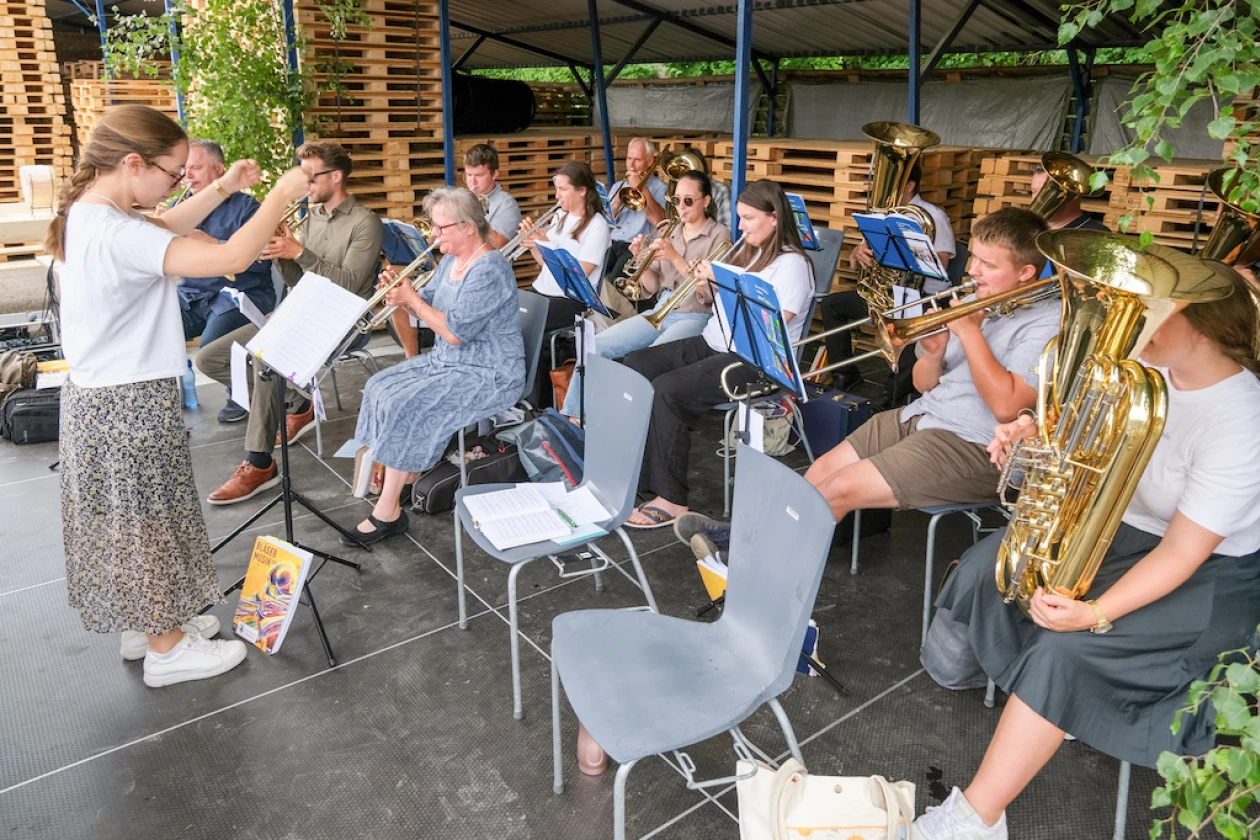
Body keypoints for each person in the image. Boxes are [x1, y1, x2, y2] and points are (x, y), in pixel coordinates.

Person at [912, 260, 1260, 840]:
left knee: (1065, 652)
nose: (1136, 322)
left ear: (1204, 330)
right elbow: (1079, 435)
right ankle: (1046, 703)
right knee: (985, 571)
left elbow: (1181, 552)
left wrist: (1097, 612)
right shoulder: (1149, 370)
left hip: (1211, 575)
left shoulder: (1243, 420)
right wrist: (1031, 431)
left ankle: (975, 820)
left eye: (1157, 312)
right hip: (1125, 532)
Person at [47, 103, 311, 687]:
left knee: (138, 516)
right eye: (171, 174)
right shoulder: (115, 230)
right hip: (128, 398)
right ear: (133, 163)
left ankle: (149, 624)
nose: (173, 187)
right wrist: (282, 193)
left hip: (104, 396)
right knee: (147, 519)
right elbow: (232, 258)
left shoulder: (90, 212)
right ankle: (167, 650)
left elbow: (162, 227)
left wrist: (223, 186)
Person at [621, 179, 814, 529]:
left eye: (749, 219)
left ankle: (672, 497)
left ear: (774, 219)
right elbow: (713, 305)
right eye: (739, 217)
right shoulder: (749, 251)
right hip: (716, 342)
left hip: (758, 362)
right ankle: (638, 471)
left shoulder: (793, 265)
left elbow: (770, 329)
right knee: (636, 365)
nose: (740, 226)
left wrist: (724, 281)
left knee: (668, 390)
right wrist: (706, 283)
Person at [197, 141, 383, 504]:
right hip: (301, 310)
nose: (305, 185)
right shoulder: (309, 214)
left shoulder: (365, 222)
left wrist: (298, 250)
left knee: (267, 363)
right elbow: (299, 278)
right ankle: (297, 403)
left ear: (337, 177)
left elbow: (348, 284)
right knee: (210, 358)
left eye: (311, 177)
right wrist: (280, 250)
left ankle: (259, 462)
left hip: (339, 318)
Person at [344, 188, 525, 544]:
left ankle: (389, 511)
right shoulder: (451, 262)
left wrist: (411, 299)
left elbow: (455, 331)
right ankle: (405, 472)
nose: (433, 236)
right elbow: (430, 305)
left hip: (489, 371)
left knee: (407, 404)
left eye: (441, 228)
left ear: (469, 227)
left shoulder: (489, 268)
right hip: (450, 360)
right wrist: (401, 295)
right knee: (380, 385)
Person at [559, 170, 730, 421]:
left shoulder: (720, 235)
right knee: (596, 346)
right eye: (676, 200)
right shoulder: (670, 231)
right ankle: (574, 416)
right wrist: (642, 260)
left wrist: (675, 257)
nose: (681, 207)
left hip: (696, 315)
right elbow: (650, 286)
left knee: (648, 361)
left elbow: (712, 293)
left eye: (688, 201)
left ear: (706, 201)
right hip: (661, 308)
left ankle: (619, 421)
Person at [817, 161, 956, 401]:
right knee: (832, 305)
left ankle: (892, 395)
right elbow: (855, 261)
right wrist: (857, 254)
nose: (886, 187)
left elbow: (942, 263)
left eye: (894, 182)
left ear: (911, 185)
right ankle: (845, 373)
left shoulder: (933, 216)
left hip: (923, 298)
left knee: (907, 328)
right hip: (888, 294)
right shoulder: (881, 216)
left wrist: (905, 254)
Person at [391, 143, 523, 359]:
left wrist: (468, 220)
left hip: (484, 279)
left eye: (478, 175)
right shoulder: (459, 206)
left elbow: (496, 243)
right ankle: (411, 358)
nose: (472, 181)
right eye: (468, 175)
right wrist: (402, 297)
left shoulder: (505, 204)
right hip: (459, 261)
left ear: (495, 174)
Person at [172, 139, 276, 350]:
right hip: (191, 295)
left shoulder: (248, 208)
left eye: (196, 168)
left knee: (210, 352)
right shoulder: (179, 206)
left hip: (238, 295)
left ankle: (250, 382)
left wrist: (214, 244)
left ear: (219, 170)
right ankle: (181, 383)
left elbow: (262, 263)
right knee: (152, 334)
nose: (187, 176)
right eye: (185, 169)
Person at [522, 160, 612, 333]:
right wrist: (534, 245)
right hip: (542, 290)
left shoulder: (597, 225)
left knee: (525, 326)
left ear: (582, 191)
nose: (557, 196)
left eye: (563, 189)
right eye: (557, 189)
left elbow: (580, 275)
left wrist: (548, 244)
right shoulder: (559, 216)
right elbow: (547, 265)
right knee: (506, 316)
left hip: (570, 299)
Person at [601, 137, 669, 319]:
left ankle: (613, 323)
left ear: (650, 162)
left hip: (636, 247)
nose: (632, 164)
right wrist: (615, 203)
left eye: (637, 160)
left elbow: (661, 222)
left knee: (612, 283)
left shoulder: (660, 189)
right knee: (591, 275)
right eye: (629, 158)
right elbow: (604, 222)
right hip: (612, 243)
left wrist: (643, 191)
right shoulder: (617, 186)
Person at [1031, 161, 1109, 232]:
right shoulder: (1028, 231)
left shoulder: (1096, 234)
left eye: (1047, 191)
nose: (1038, 198)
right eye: (1034, 191)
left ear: (1075, 193)